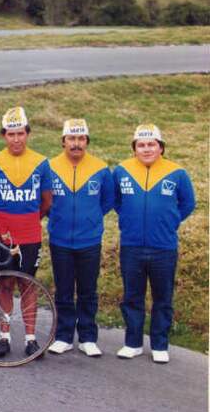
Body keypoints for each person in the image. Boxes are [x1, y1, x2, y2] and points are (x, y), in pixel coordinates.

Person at [113, 124, 195, 364]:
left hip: (164, 247)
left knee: (163, 297)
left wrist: (169, 222)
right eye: (141, 145)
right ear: (134, 148)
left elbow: (187, 204)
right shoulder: (121, 170)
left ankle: (159, 344)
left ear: (161, 148)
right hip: (131, 245)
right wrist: (129, 220)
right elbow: (116, 201)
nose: (146, 149)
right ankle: (133, 342)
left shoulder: (177, 172)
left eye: (151, 144)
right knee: (132, 296)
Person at [0, 107, 53, 359]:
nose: (16, 139)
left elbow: (47, 201)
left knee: (28, 285)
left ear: (28, 134)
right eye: (11, 134)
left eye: (21, 133)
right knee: (4, 283)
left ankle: (31, 339)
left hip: (29, 235)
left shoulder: (41, 162)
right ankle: (4, 336)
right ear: (4, 135)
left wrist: (30, 221)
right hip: (2, 235)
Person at [47, 119, 115, 357]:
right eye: (71, 139)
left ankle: (87, 337)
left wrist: (92, 218)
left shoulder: (101, 168)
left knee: (88, 290)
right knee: (63, 289)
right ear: (63, 141)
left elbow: (108, 200)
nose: (76, 144)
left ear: (87, 141)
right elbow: (45, 200)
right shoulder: (50, 166)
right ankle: (63, 336)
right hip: (60, 239)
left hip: (89, 240)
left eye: (81, 139)